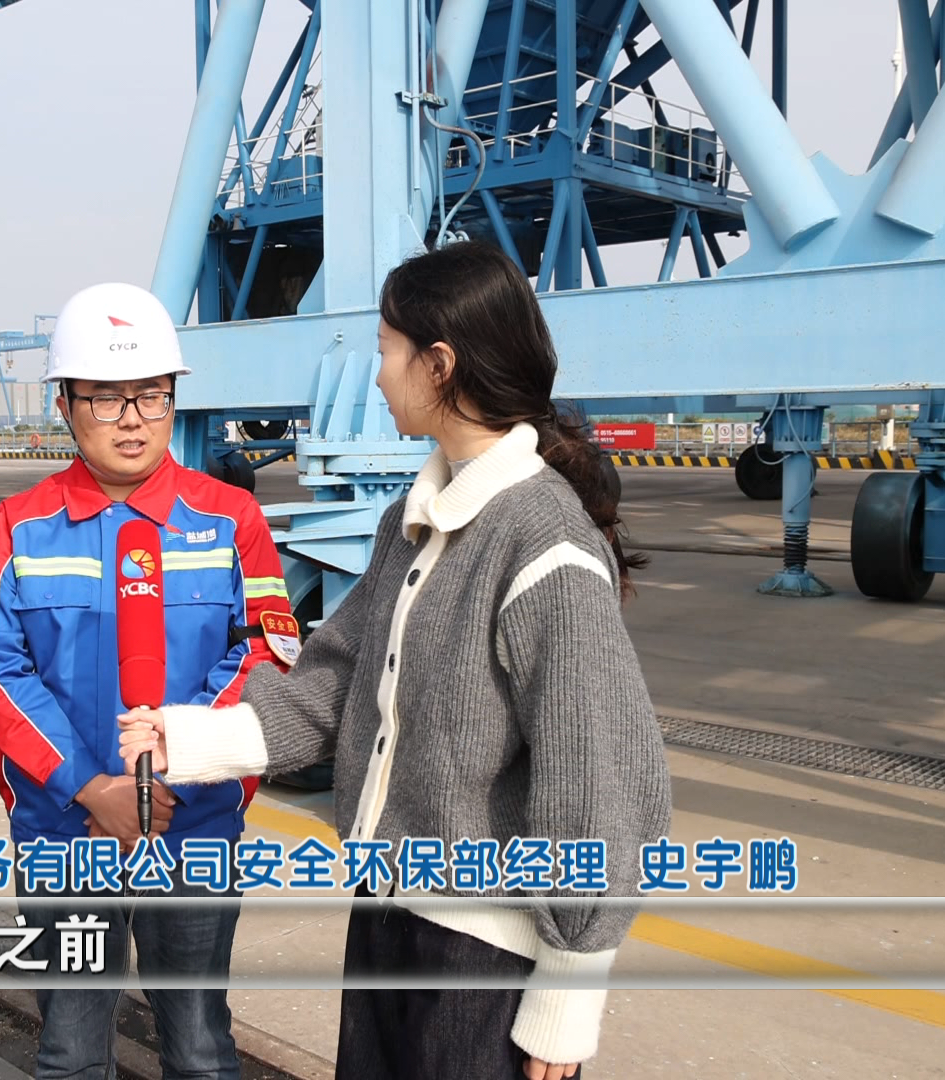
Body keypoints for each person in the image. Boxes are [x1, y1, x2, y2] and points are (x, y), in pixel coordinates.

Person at [119, 241, 673, 1079]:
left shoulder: (543, 542)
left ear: (439, 364)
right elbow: (336, 683)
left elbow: (601, 776)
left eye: (387, 351)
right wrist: (189, 739)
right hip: (387, 915)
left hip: (484, 956)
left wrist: (567, 990)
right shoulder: (412, 522)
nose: (377, 377)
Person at [0, 281, 297, 1080]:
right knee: (70, 1048)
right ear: (65, 405)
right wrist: (91, 788)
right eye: (107, 399)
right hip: (64, 829)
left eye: (151, 394)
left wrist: (169, 769)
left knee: (201, 1045)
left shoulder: (231, 521)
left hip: (195, 822)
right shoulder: (18, 528)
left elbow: (264, 652)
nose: (134, 419)